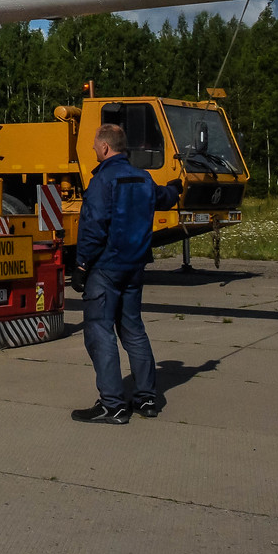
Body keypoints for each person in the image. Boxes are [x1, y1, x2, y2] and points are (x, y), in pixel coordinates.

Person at [71, 124, 182, 424]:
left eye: (95, 145)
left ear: (105, 148)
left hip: (106, 269)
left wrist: (81, 265)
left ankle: (113, 405)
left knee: (99, 332)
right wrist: (176, 188)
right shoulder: (143, 178)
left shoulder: (102, 180)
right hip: (135, 268)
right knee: (133, 330)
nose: (94, 149)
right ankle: (147, 398)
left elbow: (93, 226)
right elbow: (164, 198)